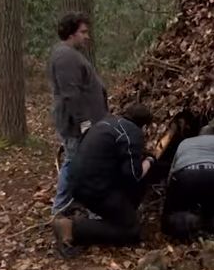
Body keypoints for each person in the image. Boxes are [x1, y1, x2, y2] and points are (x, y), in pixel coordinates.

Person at [52, 103, 156, 258]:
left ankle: (101, 219)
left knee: (121, 211)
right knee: (131, 230)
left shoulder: (106, 122)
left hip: (77, 182)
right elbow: (134, 174)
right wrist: (150, 160)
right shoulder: (132, 133)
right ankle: (72, 228)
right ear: (144, 126)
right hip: (96, 188)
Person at [48, 12, 108, 215]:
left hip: (82, 123)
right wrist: (84, 122)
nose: (87, 36)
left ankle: (74, 203)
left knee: (78, 163)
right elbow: (70, 94)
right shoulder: (65, 56)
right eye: (83, 32)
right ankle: (61, 207)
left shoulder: (70, 54)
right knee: (75, 163)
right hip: (75, 126)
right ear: (71, 33)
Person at [162, 122, 214, 246]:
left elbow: (172, 170)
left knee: (174, 211)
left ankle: (189, 221)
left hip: (186, 175)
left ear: (198, 135)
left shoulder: (185, 143)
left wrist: (170, 192)